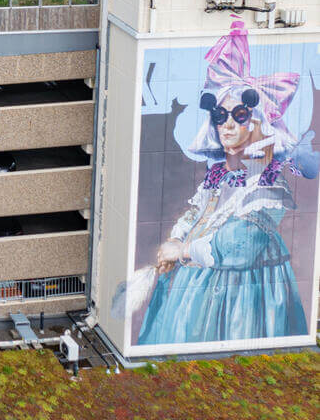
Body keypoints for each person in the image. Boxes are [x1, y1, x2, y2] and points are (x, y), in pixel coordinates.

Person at [133, 19, 316, 346]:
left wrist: (182, 249)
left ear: (257, 122)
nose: (227, 125)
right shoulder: (219, 175)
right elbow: (197, 212)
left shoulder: (269, 188)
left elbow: (238, 248)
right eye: (220, 117)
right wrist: (173, 239)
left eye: (239, 116)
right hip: (194, 282)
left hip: (242, 297)